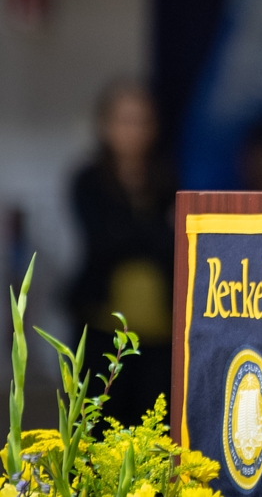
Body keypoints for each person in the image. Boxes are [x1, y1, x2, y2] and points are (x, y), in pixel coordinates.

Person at [69, 79, 177, 427]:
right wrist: (154, 231)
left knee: (151, 434)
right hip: (102, 329)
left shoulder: (168, 180)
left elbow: (173, 246)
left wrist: (134, 232)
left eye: (142, 121)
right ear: (105, 125)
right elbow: (104, 242)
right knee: (97, 429)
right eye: (125, 120)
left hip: (160, 333)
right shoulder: (87, 181)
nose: (134, 130)